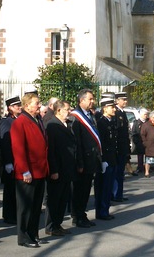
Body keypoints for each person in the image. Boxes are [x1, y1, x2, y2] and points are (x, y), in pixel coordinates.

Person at [11, 93, 49, 248]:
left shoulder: (37, 119)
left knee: (35, 206)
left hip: (39, 170)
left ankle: (33, 234)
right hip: (28, 172)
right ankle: (24, 237)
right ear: (27, 106)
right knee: (25, 207)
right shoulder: (20, 122)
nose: (39, 105)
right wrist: (24, 170)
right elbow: (18, 149)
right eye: (36, 103)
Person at [45, 100, 76, 236]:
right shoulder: (52, 125)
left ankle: (57, 224)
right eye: (67, 110)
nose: (69, 112)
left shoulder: (67, 124)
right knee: (54, 199)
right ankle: (51, 226)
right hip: (58, 168)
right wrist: (54, 170)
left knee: (63, 199)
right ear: (58, 111)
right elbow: (51, 150)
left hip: (67, 168)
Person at [70, 89, 100, 228]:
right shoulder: (76, 117)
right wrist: (80, 162)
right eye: (90, 99)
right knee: (79, 190)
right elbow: (77, 142)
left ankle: (82, 214)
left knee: (86, 189)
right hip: (83, 160)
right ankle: (77, 216)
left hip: (91, 159)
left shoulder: (90, 115)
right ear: (81, 101)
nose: (92, 101)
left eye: (93, 99)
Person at [0, 96, 22, 225]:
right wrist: (7, 161)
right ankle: (9, 215)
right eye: (16, 106)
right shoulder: (6, 122)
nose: (19, 107)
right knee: (10, 190)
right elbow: (5, 142)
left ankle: (15, 213)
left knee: (17, 189)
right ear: (10, 108)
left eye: (19, 105)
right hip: (11, 160)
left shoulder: (18, 119)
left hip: (18, 159)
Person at [95, 98, 118, 220]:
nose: (114, 109)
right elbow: (101, 143)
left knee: (108, 186)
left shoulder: (111, 121)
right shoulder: (101, 123)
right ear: (105, 108)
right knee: (103, 187)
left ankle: (105, 209)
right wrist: (102, 160)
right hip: (106, 159)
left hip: (112, 158)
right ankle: (102, 211)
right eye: (111, 107)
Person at [113, 92, 130, 202]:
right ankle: (116, 194)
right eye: (123, 99)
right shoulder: (116, 113)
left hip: (123, 147)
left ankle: (119, 194)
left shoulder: (123, 113)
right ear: (117, 100)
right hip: (118, 148)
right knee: (117, 173)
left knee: (120, 173)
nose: (125, 101)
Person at [130, 108, 149, 173]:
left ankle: (147, 167)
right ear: (141, 115)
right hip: (139, 142)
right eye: (145, 114)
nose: (146, 116)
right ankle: (140, 167)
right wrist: (136, 142)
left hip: (147, 142)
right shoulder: (136, 122)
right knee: (140, 155)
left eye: (147, 114)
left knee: (148, 155)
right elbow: (133, 132)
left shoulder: (148, 122)